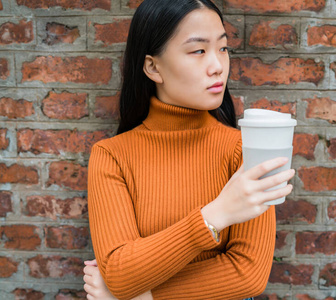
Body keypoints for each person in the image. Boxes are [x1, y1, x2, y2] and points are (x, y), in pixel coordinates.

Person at [83, 0, 295, 299]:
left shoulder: (243, 151)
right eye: (198, 51)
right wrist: (215, 214)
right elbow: (119, 272)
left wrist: (145, 296)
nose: (218, 66)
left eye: (223, 48)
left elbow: (248, 274)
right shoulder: (112, 156)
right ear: (153, 67)